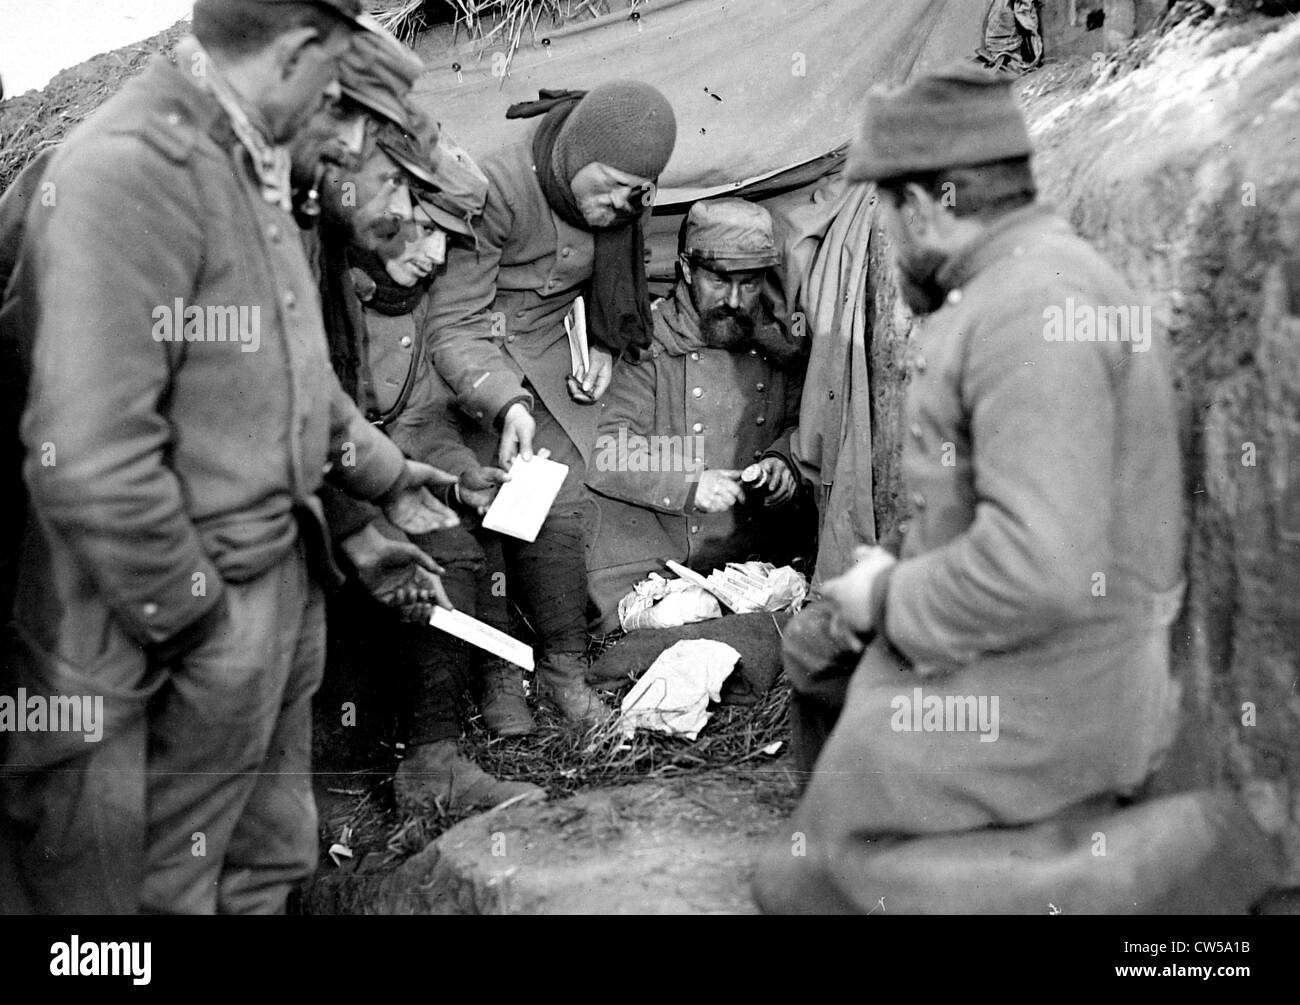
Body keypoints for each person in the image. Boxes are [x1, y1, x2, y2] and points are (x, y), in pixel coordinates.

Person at [1, 0, 454, 915]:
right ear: (294, 54)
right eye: (347, 98)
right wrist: (201, 625)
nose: (355, 133)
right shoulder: (131, 172)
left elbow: (295, 377)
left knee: (264, 859)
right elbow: (90, 459)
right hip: (154, 618)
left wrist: (384, 479)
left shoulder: (250, 173)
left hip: (264, 579)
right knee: (141, 891)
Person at [753, 66, 1185, 912]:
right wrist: (875, 585)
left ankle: (1113, 866)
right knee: (815, 652)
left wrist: (887, 594)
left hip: (1059, 684)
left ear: (925, 205)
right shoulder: (1015, 285)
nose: (887, 230)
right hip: (1021, 646)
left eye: (884, 210)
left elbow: (1041, 566)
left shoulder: (1033, 312)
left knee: (799, 880)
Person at [424, 81, 678, 725]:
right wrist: (506, 404)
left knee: (559, 510)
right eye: (613, 185)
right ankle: (501, 676)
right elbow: (452, 324)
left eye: (637, 194)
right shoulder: (498, 185)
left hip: (550, 366)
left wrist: (602, 343)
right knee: (491, 523)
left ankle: (565, 667)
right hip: (471, 369)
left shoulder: (626, 196)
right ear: (576, 153)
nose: (623, 205)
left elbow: (617, 289)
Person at [585, 198, 809, 632]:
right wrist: (690, 481)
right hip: (649, 552)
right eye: (719, 281)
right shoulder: (644, 345)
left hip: (745, 553)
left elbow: (801, 423)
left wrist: (784, 461)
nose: (734, 299)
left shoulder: (778, 346)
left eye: (750, 284)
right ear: (686, 270)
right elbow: (604, 450)